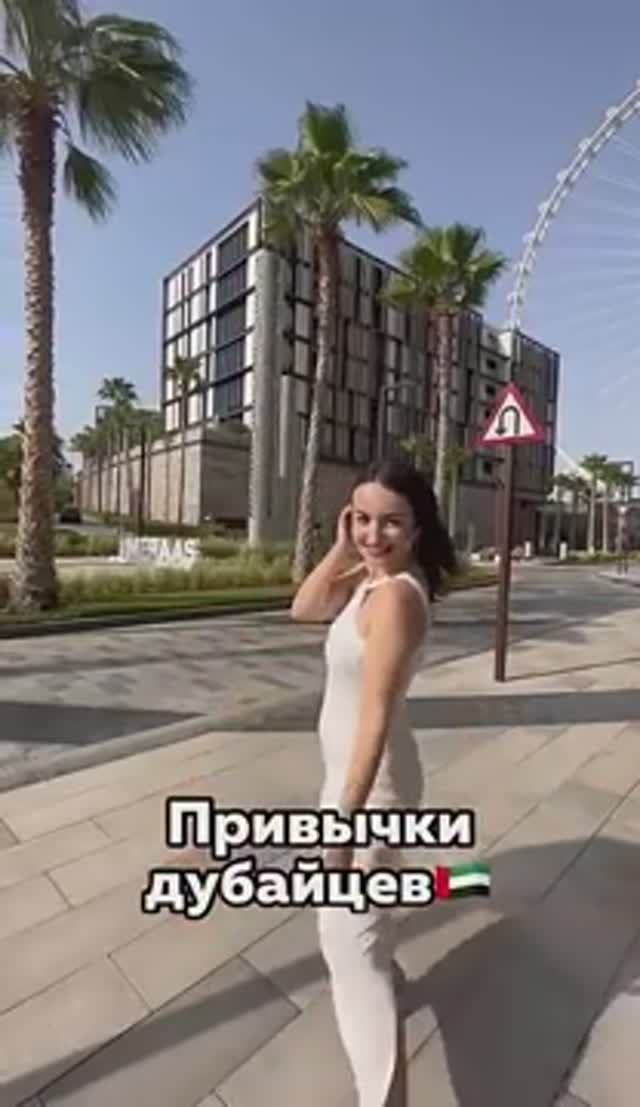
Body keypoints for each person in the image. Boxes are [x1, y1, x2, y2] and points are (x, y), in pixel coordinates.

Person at [290, 456, 457, 1106]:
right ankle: (387, 960)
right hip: (353, 779)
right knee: (363, 926)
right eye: (361, 518)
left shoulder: (394, 600)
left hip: (370, 791)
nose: (371, 533)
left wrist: (343, 827)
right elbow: (304, 608)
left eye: (390, 522)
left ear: (417, 529)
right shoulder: (372, 578)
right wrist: (340, 548)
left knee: (347, 949)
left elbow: (376, 720)